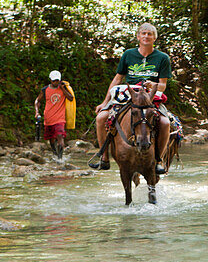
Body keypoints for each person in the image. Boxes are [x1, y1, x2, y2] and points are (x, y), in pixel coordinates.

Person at [90, 23, 172, 174]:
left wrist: (152, 84)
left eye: (150, 34)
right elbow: (117, 79)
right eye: (144, 33)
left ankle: (158, 159)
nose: (146, 36)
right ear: (138, 36)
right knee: (101, 118)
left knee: (165, 122)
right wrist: (105, 102)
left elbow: (163, 85)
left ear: (154, 38)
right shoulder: (128, 54)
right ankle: (103, 157)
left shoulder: (162, 58)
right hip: (127, 94)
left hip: (150, 96)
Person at [35, 70, 75, 160]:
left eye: (57, 80)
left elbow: (71, 98)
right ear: (50, 80)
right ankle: (55, 154)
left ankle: (60, 159)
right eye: (54, 81)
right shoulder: (45, 90)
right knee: (51, 139)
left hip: (60, 118)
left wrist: (63, 89)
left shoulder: (64, 88)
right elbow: (37, 101)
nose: (55, 82)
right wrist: (37, 112)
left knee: (60, 136)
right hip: (48, 118)